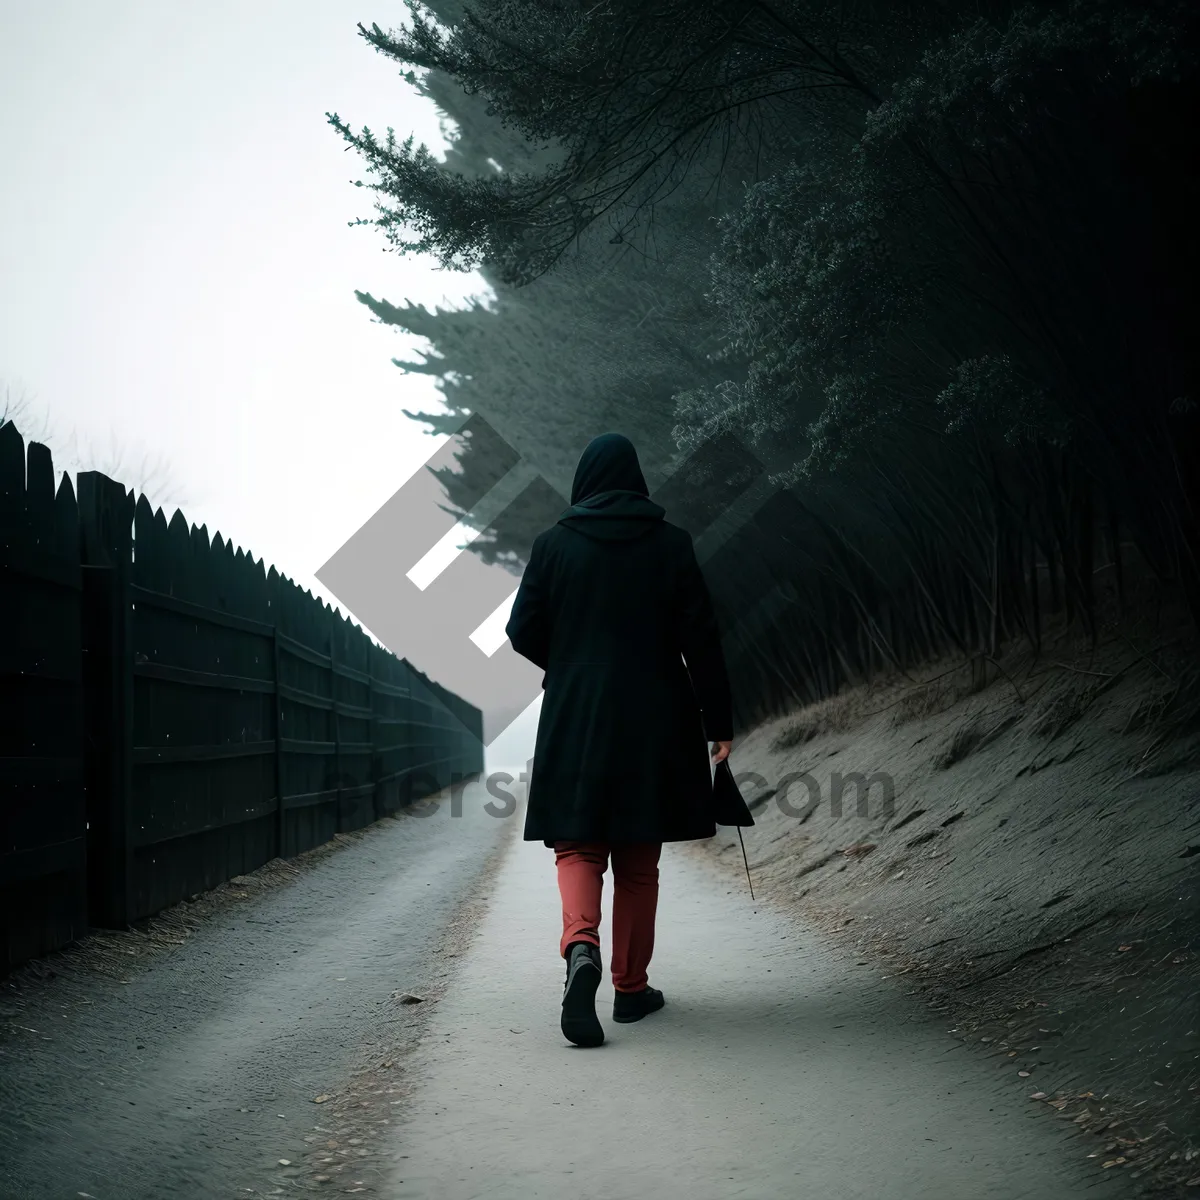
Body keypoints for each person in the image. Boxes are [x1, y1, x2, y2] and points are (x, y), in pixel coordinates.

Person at [505, 432, 734, 1047]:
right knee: (638, 857)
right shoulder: (671, 544)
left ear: (583, 480)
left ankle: (581, 947)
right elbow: (703, 639)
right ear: (637, 480)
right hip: (656, 717)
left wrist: (571, 660)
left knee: (578, 846)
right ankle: (631, 990)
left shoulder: (553, 545)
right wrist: (720, 724)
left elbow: (520, 628)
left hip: (577, 712)